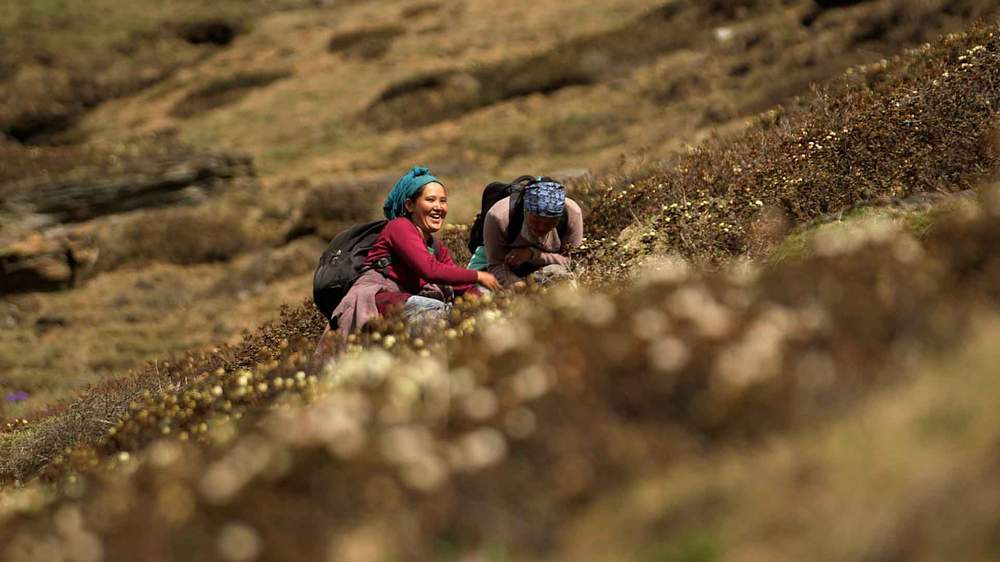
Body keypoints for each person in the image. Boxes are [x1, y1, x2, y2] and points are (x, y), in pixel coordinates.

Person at [328, 166, 501, 339]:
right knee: (435, 311)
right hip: (375, 302)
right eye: (430, 200)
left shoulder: (435, 245)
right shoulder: (399, 227)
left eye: (443, 201)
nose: (438, 207)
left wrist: (490, 302)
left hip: (401, 301)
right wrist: (478, 275)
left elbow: (459, 284)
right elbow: (430, 270)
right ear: (410, 205)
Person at [482, 179, 583, 287]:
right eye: (535, 221)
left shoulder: (572, 213)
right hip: (500, 267)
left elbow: (573, 263)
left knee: (562, 277)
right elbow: (496, 264)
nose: (541, 228)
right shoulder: (499, 216)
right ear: (525, 211)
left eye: (550, 223)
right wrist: (516, 285)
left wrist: (532, 255)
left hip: (549, 269)